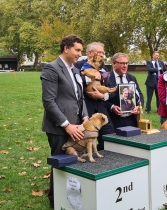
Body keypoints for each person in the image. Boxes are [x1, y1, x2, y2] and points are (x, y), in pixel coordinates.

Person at [40, 34, 89, 208]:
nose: (79, 54)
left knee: (76, 163)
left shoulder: (75, 70)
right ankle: (56, 202)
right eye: (77, 50)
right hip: (59, 128)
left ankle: (74, 200)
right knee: (61, 166)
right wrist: (66, 125)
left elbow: (80, 97)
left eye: (81, 51)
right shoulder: (51, 69)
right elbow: (48, 101)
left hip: (78, 125)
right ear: (66, 48)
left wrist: (84, 117)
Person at [74, 42, 115, 151]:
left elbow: (110, 86)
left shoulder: (103, 68)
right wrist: (91, 78)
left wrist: (102, 96)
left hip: (102, 110)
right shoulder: (78, 65)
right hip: (86, 109)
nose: (102, 55)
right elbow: (74, 83)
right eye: (99, 52)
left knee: (109, 138)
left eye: (103, 52)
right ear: (90, 53)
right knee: (85, 141)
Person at [104, 53, 144, 128]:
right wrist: (112, 107)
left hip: (132, 119)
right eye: (122, 63)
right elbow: (101, 99)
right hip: (113, 120)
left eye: (126, 63)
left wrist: (138, 107)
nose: (125, 66)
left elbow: (140, 95)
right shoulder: (106, 78)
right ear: (114, 63)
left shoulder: (132, 78)